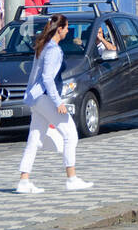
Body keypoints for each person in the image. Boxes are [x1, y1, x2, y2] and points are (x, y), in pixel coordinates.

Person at [16, 14, 93, 193]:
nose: (68, 31)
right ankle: (71, 179)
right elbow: (47, 78)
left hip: (35, 98)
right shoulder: (53, 50)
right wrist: (58, 102)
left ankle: (24, 180)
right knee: (70, 134)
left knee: (34, 139)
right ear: (60, 30)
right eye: (66, 28)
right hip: (44, 97)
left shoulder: (43, 46)